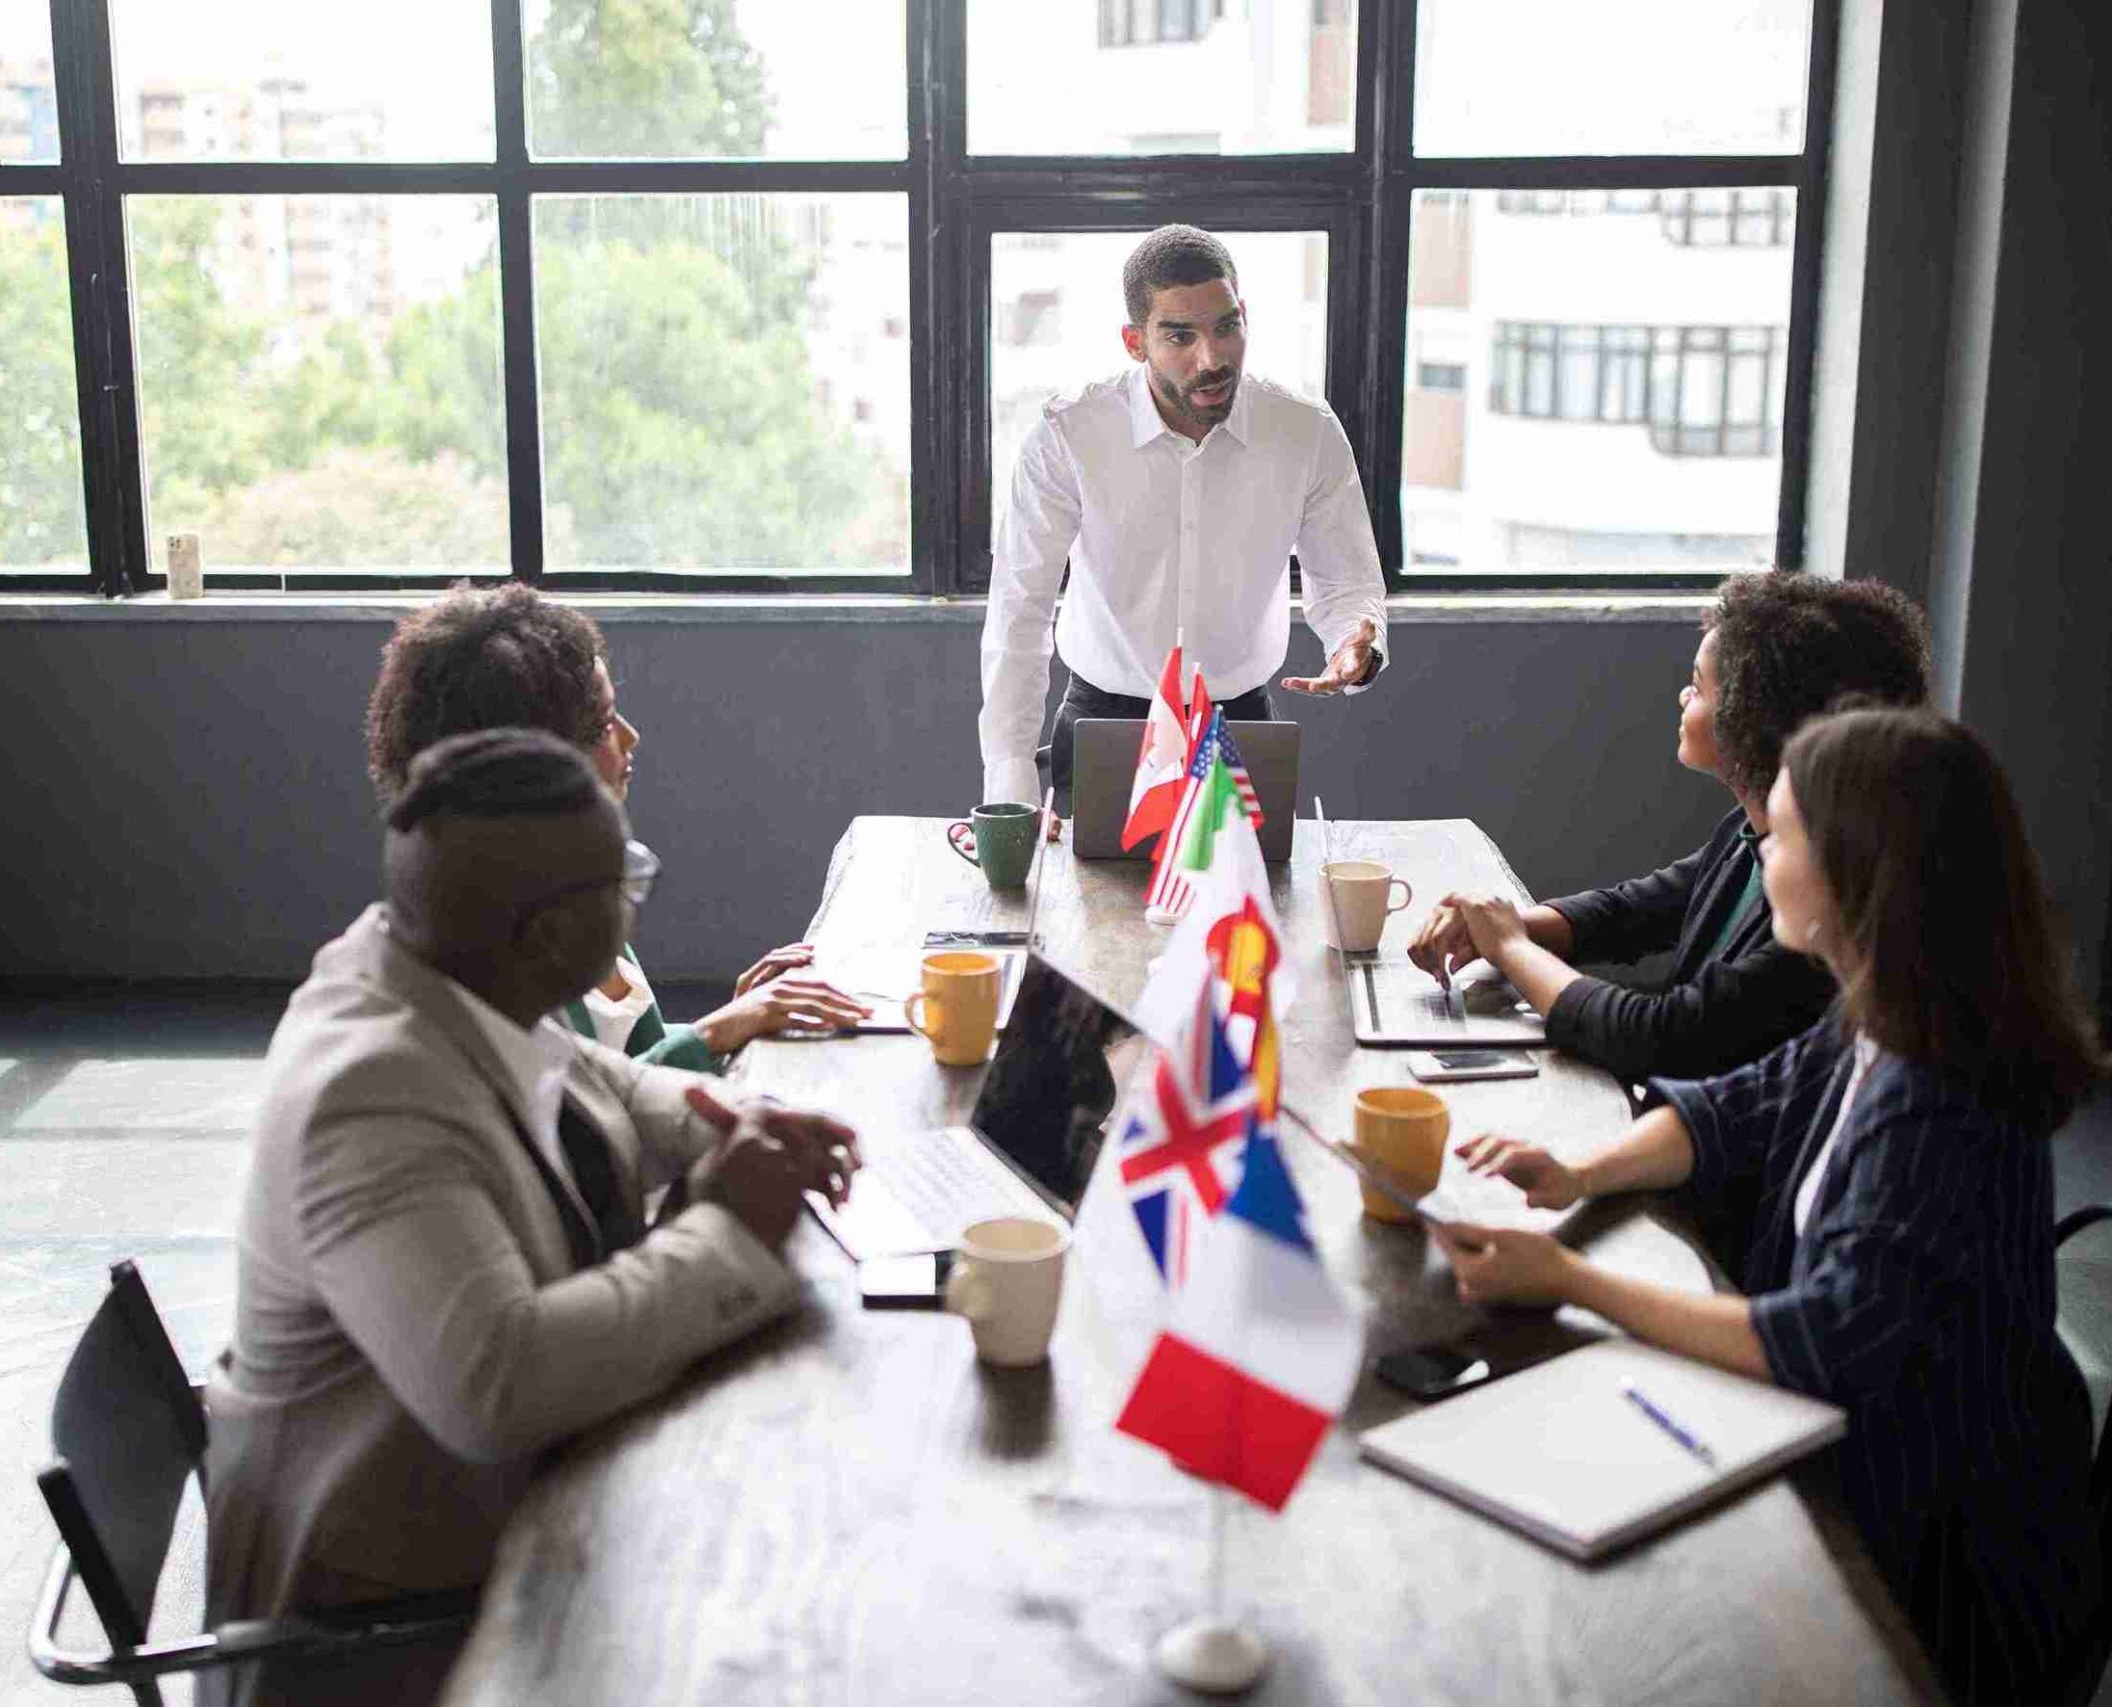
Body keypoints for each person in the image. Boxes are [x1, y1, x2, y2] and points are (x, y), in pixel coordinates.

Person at [1435, 705, 2108, 1705]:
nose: (1762, 853)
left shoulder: (1937, 1098)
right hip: (1866, 1454)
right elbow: (1731, 1113)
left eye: (1783, 836)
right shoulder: (1881, 1010)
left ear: (1853, 875)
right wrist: (1580, 1174)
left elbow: (1823, 1344)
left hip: (1935, 1554)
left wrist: (1574, 1278)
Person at [200, 730, 860, 1705]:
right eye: (622, 884)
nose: (634, 898)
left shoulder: (438, 961)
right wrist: (725, 1230)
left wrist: (730, 1120)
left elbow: (608, 1081)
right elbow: (499, 1385)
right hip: (387, 1624)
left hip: (494, 1528)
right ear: (552, 937)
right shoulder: (368, 1098)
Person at [1407, 572, 1929, 1080]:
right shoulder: (1749, 835)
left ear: (1754, 719)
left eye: (1698, 688)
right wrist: (1496, 924)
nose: (1683, 697)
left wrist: (1511, 947)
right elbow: (1635, 911)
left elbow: (1663, 1037)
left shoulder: (1823, 906)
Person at [979, 224, 1390, 820]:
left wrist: (1359, 643)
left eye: (1227, 326)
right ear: (1134, 341)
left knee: (1254, 912)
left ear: (1243, 314)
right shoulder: (1069, 436)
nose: (1212, 358)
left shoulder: (1306, 431)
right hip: (1105, 723)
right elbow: (1019, 613)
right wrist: (1011, 788)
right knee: (1086, 910)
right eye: (1180, 336)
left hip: (1240, 726)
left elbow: (1349, 585)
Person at [365, 583, 866, 1064]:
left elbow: (616, 1061)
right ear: (534, 755)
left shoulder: (571, 878)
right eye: (605, 724)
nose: (632, 736)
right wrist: (715, 1033)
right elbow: (579, 1117)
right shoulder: (497, 950)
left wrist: (737, 1021)